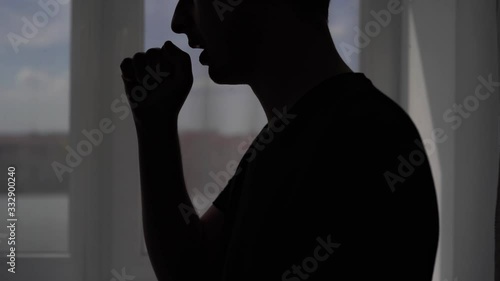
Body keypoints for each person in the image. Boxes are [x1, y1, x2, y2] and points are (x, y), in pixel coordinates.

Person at [120, 0, 440, 280]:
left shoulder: (365, 140)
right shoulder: (297, 136)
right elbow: (192, 269)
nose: (178, 21)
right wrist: (154, 127)